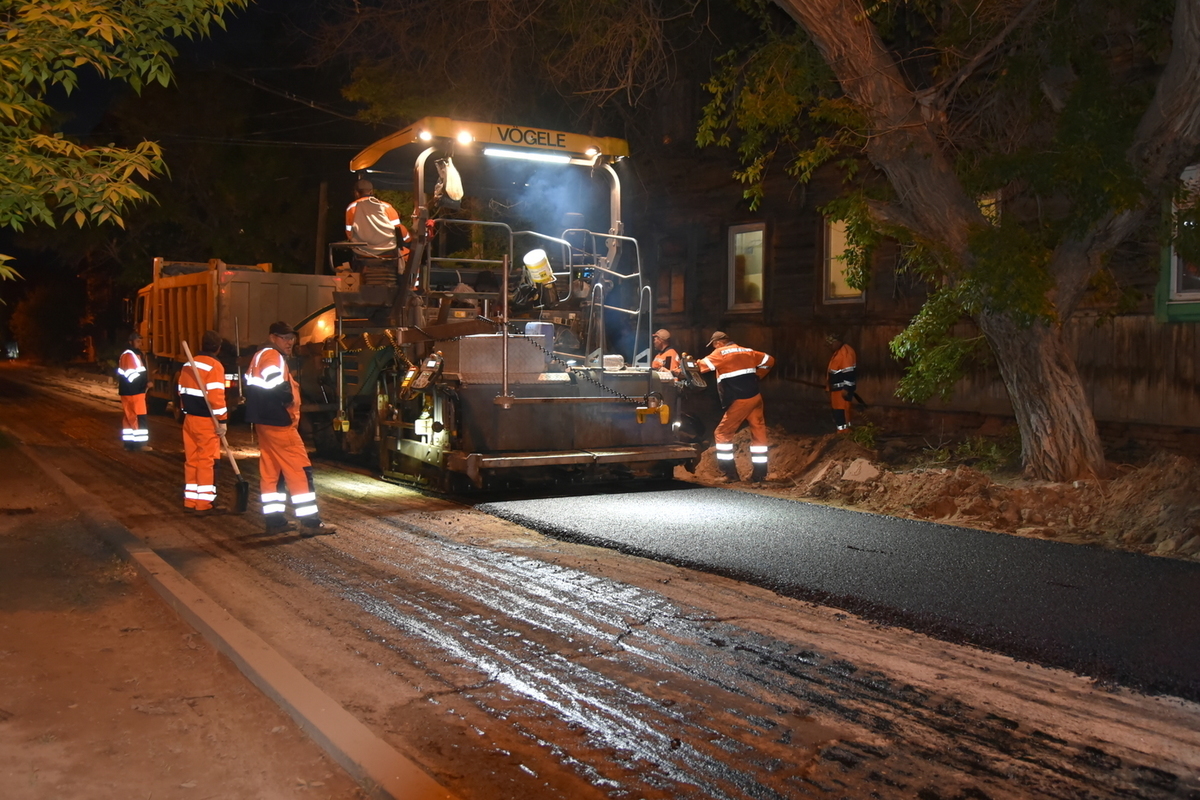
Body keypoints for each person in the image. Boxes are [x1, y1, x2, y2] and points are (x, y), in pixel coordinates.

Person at [245, 321, 335, 535]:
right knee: (300, 470)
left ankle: (275, 520)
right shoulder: (271, 356)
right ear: (273, 337)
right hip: (279, 424)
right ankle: (310, 523)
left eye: (292, 338)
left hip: (266, 422)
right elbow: (274, 381)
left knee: (271, 472)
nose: (289, 342)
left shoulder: (259, 355)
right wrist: (285, 395)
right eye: (284, 338)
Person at [696, 331, 775, 483]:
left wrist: (678, 370)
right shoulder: (748, 351)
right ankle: (760, 475)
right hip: (755, 396)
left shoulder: (720, 353)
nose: (713, 348)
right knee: (758, 433)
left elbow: (699, 367)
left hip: (740, 400)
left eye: (713, 345)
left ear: (718, 342)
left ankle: (730, 474)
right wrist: (759, 375)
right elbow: (770, 360)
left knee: (721, 433)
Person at [179, 330, 228, 514]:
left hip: (189, 419)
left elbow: (181, 393)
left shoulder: (188, 365)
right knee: (206, 461)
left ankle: (190, 501)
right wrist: (222, 421)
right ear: (218, 347)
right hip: (206, 422)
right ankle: (204, 504)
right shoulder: (214, 366)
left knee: (192, 460)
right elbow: (216, 397)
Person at [345, 178, 411, 274]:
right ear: (372, 192)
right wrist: (408, 238)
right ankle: (408, 285)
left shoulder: (351, 208)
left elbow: (349, 234)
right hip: (388, 252)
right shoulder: (386, 207)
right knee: (409, 254)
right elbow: (399, 230)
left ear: (356, 193)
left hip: (362, 252)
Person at [116, 332, 150, 451]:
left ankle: (129, 444)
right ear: (131, 342)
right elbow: (132, 376)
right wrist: (145, 383)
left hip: (128, 392)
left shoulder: (131, 354)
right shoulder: (130, 355)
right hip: (134, 392)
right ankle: (140, 445)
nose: (140, 344)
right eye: (137, 341)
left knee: (129, 418)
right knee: (139, 417)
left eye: (141, 341)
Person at [827, 332, 858, 432]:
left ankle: (846, 434)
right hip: (836, 390)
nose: (829, 346)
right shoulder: (838, 352)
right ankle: (841, 433)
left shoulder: (845, 353)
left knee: (843, 412)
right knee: (837, 413)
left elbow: (849, 373)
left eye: (831, 343)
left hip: (842, 391)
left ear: (837, 342)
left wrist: (846, 389)